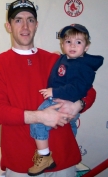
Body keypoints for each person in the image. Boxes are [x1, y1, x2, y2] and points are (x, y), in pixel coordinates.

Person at [0, 0, 97, 177]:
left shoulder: (56, 60)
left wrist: (78, 105)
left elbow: (89, 91)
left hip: (63, 161)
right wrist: (40, 117)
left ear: (36, 25)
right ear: (9, 26)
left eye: (30, 20)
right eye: (18, 20)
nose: (25, 26)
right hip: (21, 164)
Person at [28, 24, 103, 176]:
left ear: (86, 47)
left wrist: (78, 104)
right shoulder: (62, 59)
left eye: (78, 42)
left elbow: (84, 90)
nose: (73, 45)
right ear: (62, 45)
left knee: (37, 121)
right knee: (70, 127)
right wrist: (58, 58)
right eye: (68, 42)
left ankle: (44, 155)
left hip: (58, 100)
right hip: (60, 102)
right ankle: (63, 149)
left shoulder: (84, 66)